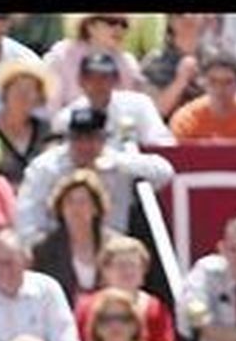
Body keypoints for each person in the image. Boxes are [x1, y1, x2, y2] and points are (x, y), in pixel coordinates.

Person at [14, 106, 175, 249]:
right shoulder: (46, 167)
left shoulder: (116, 161)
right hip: (61, 250)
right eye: (77, 138)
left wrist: (116, 163)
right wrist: (38, 249)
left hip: (112, 249)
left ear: (104, 139)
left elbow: (165, 172)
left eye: (91, 138)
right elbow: (28, 215)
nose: (84, 146)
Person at [51, 49, 175, 147]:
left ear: (116, 81)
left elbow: (161, 143)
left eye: (105, 78)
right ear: (80, 81)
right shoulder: (66, 118)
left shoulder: (140, 105)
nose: (98, 84)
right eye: (91, 78)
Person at [30, 168, 116, 309]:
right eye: (70, 202)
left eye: (83, 202)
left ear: (95, 208)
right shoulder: (44, 249)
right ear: (61, 208)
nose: (76, 209)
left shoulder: (114, 245)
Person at [170, 50, 236, 142]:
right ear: (203, 83)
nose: (220, 89)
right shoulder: (186, 120)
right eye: (213, 81)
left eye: (228, 82)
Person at [0, 58, 54, 188]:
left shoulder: (46, 131)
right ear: (5, 92)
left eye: (30, 90)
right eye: (17, 88)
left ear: (39, 97)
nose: (23, 95)